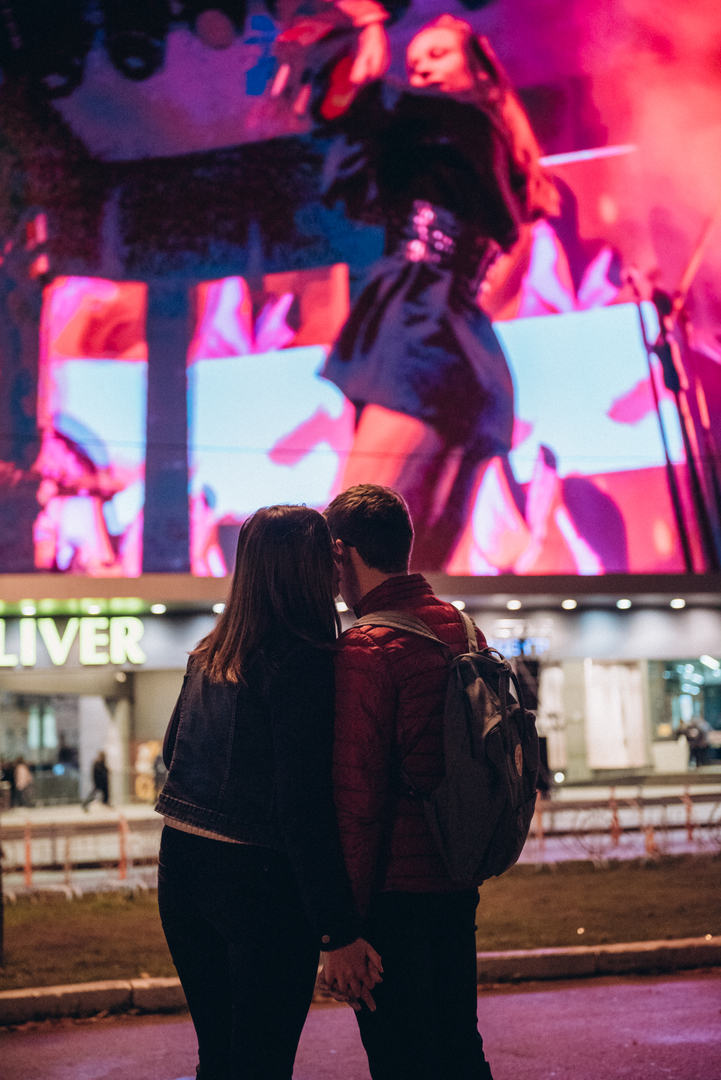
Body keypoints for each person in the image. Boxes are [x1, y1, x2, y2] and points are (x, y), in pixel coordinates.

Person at [318, 17, 556, 570]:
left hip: (421, 324)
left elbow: (361, 107)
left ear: (477, 69)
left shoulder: (458, 120)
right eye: (415, 57)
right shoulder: (476, 142)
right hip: (467, 347)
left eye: (439, 53)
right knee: (415, 573)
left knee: (343, 546)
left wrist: (369, 29)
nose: (420, 64)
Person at [155, 504, 382, 1080]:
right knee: (261, 1061)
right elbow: (302, 805)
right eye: (328, 557)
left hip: (181, 868)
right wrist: (339, 930)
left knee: (220, 1056)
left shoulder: (211, 653)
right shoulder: (304, 659)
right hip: (258, 884)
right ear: (307, 568)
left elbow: (171, 752)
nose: (337, 570)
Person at [321, 484, 495, 1080]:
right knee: (458, 1042)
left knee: (402, 1056)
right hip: (459, 871)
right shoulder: (465, 631)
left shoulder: (366, 648)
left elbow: (356, 799)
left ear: (340, 553)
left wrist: (342, 927)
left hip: (393, 892)